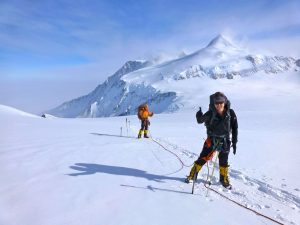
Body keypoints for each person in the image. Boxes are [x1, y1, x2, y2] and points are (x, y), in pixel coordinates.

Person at [185, 92, 238, 189]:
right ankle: (192, 175)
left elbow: (235, 127)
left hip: (225, 140)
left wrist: (234, 142)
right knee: (203, 158)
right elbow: (200, 121)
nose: (219, 105)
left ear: (225, 102)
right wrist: (199, 114)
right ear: (213, 104)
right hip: (211, 140)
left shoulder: (231, 113)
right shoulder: (210, 113)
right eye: (216, 103)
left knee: (223, 161)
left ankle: (223, 180)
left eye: (221, 102)